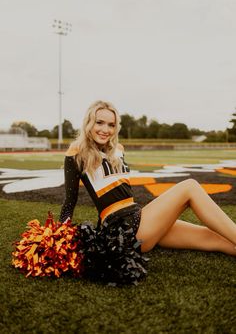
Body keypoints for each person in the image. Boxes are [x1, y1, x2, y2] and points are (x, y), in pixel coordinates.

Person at [60, 100, 236, 284]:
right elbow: (69, 203)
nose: (106, 129)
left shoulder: (118, 150)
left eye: (111, 125)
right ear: (89, 122)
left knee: (215, 238)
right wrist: (59, 242)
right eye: (100, 122)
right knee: (189, 186)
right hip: (121, 229)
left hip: (140, 219)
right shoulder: (76, 152)